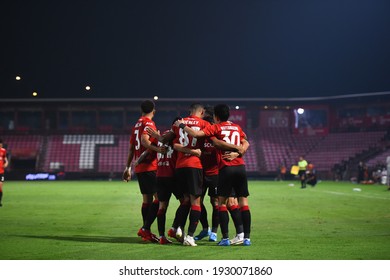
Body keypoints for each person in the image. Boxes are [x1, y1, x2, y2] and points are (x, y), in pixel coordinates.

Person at [175, 104, 251, 246]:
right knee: (228, 202)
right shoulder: (236, 127)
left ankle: (221, 235)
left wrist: (182, 125)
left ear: (215, 117)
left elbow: (210, 140)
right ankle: (243, 236)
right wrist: (239, 150)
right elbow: (245, 141)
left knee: (218, 202)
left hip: (219, 170)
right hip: (230, 168)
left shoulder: (212, 129)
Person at [122, 100, 166, 242]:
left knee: (146, 199)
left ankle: (146, 231)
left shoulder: (136, 125)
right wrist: (158, 149)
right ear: (154, 110)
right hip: (149, 166)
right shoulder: (149, 123)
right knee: (159, 199)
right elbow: (145, 141)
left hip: (140, 168)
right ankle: (145, 228)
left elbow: (131, 149)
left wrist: (128, 167)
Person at [0, 139, 9, 207]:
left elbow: (5, 159)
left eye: (1, 144)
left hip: (1, 172)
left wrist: (6, 163)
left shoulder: (3, 151)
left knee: (0, 187)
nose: (1, 146)